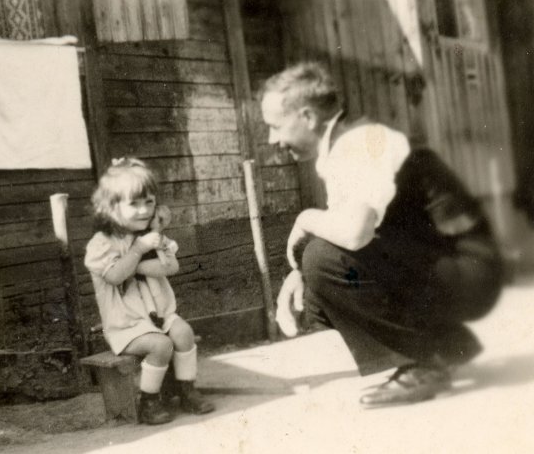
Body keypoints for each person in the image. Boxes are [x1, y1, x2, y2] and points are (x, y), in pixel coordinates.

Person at [261, 61, 503, 407]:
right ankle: (448, 343)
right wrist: (296, 273)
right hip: (448, 262)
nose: (273, 139)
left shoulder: (360, 142)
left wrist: (304, 218)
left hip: (470, 268)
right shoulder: (342, 145)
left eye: (275, 126)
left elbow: (354, 233)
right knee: (315, 277)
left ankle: (423, 364)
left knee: (322, 261)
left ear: (307, 117)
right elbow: (343, 228)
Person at [84, 157, 214, 424]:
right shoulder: (102, 244)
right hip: (127, 326)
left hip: (158, 315)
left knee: (183, 332)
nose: (144, 210)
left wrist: (150, 250)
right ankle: (149, 400)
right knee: (161, 344)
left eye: (149, 202)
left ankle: (187, 389)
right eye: (134, 203)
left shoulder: (149, 236)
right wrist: (140, 252)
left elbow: (171, 266)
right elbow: (116, 275)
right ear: (111, 208)